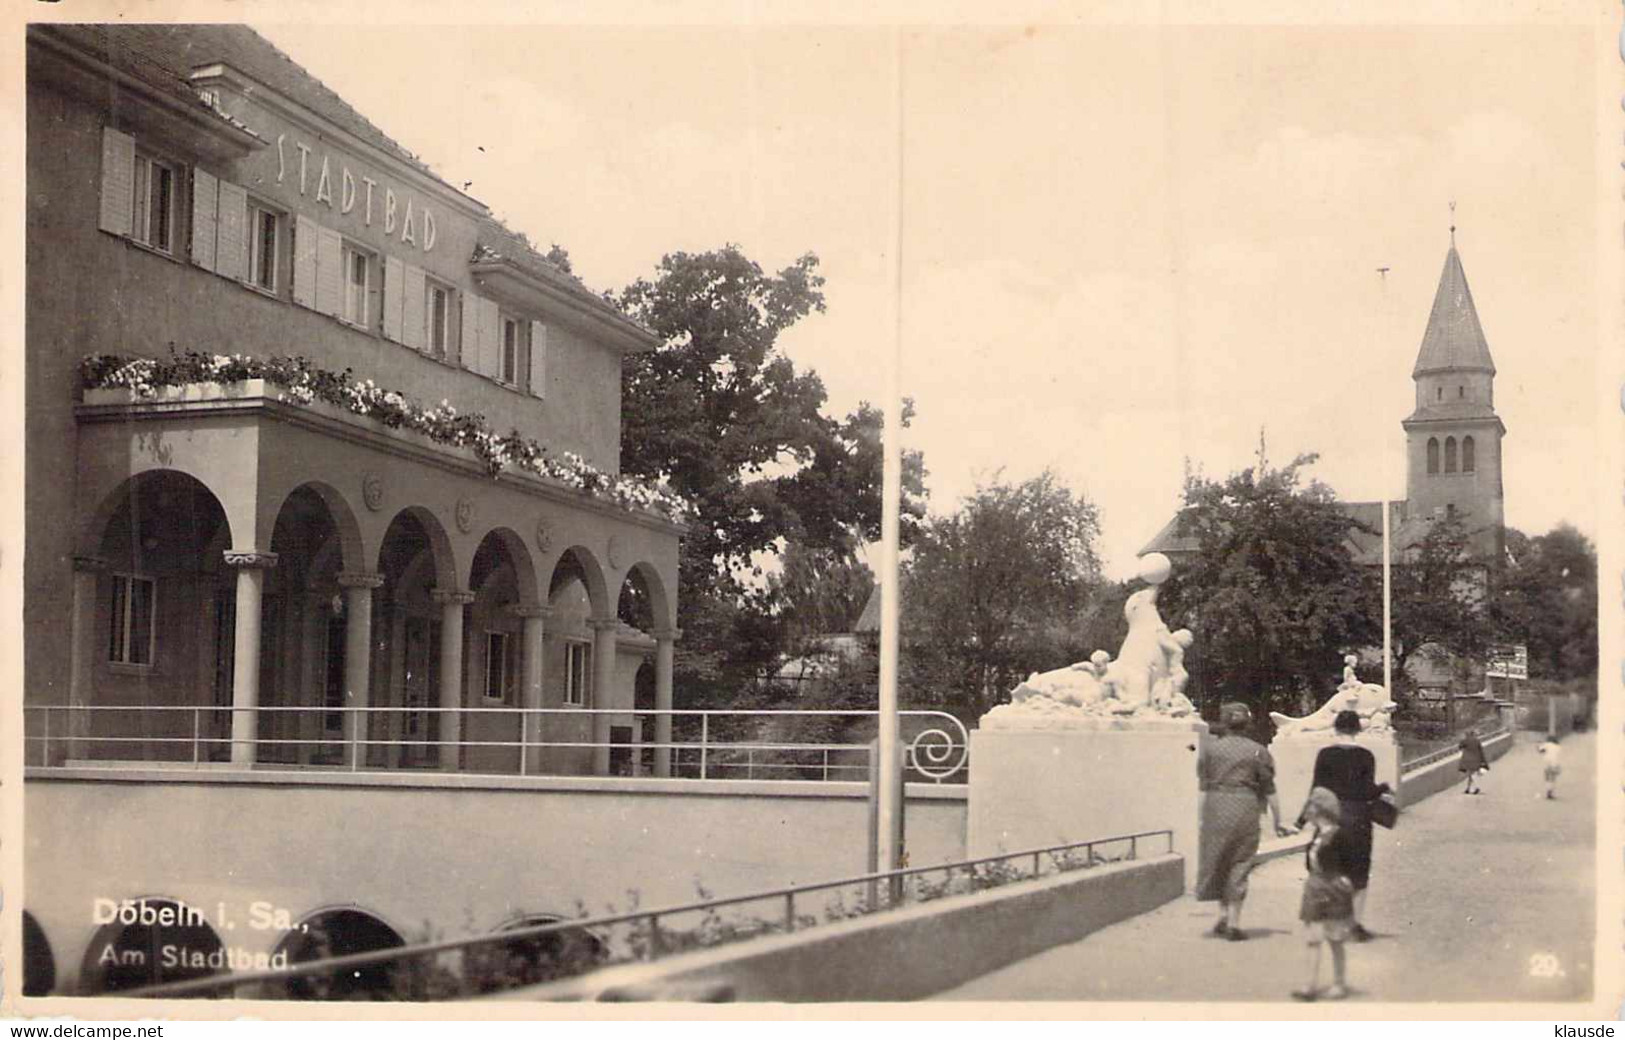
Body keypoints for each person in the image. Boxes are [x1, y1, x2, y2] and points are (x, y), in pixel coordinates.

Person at [1196, 702, 1294, 941]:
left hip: (1215, 806)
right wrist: (1278, 821)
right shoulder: (1258, 751)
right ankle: (1234, 922)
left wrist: (1202, 817)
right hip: (1245, 806)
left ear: (1224, 723)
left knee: (1218, 858)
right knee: (1240, 862)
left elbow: (1202, 786)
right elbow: (1270, 790)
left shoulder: (1210, 750)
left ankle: (1222, 915)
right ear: (1247, 724)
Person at [1297, 709, 1389, 942]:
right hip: (1358, 818)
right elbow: (1368, 790)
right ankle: (1354, 925)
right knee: (1359, 871)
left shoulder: (1325, 755)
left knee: (1330, 868)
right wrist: (1383, 788)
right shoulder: (1366, 756)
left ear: (1336, 728)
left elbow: (1317, 789)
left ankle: (1329, 921)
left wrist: (1302, 820)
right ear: (1358, 729)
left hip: (1331, 817)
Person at [1293, 787, 1358, 1001]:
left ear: (1320, 809)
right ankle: (1309, 985)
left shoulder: (1339, 835)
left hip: (1333, 891)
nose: (1307, 811)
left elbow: (1352, 863)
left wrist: (1346, 880)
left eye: (1310, 806)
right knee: (1313, 938)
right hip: (1314, 889)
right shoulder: (1317, 834)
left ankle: (1339, 984)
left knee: (1335, 939)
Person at [1458, 730, 1489, 794]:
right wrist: (1483, 761)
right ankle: (1468, 789)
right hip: (1477, 760)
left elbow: (1460, 747)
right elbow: (1481, 751)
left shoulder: (1465, 740)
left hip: (1468, 760)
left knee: (1471, 774)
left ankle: (1477, 787)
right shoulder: (1477, 741)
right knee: (1471, 774)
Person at [1537, 735, 1563, 799]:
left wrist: (1537, 746)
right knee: (1553, 779)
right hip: (1555, 764)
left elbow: (1540, 750)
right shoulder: (1558, 747)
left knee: (1547, 778)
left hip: (1547, 763)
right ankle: (1551, 792)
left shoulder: (1546, 744)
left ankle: (1548, 791)